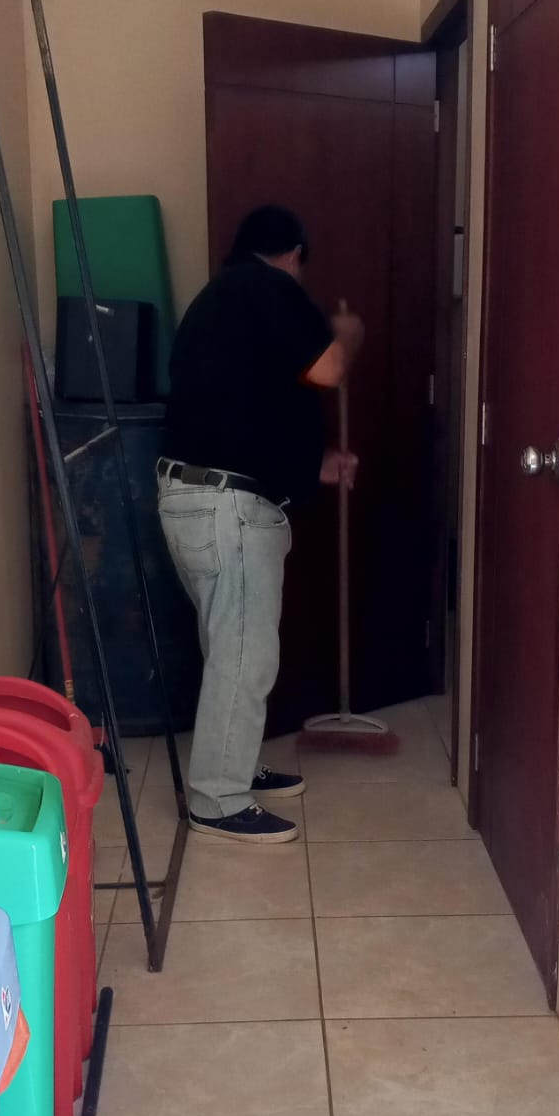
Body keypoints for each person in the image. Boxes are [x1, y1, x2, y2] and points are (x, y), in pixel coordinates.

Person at [158, 205, 363, 843]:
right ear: (292, 254)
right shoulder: (268, 287)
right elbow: (327, 368)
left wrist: (313, 464)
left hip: (193, 497)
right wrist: (346, 335)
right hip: (228, 510)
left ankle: (235, 766)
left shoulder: (218, 302)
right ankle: (217, 799)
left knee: (229, 645)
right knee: (245, 653)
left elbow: (245, 414)